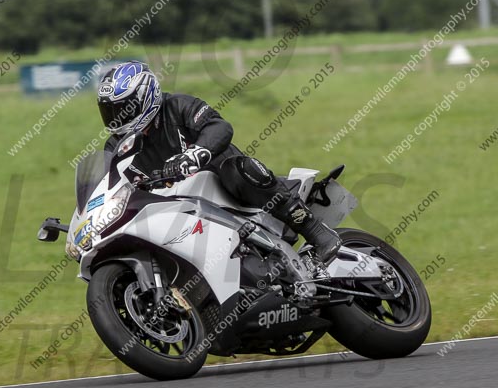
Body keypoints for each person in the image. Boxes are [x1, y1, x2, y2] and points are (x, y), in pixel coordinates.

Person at [97, 61, 341, 265]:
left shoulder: (178, 107)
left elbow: (219, 127)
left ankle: (315, 231)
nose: (116, 118)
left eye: (122, 109)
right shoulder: (116, 147)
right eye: (110, 111)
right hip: (175, 211)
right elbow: (107, 187)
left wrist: (195, 153)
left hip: (227, 190)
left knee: (235, 169)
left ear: (144, 98)